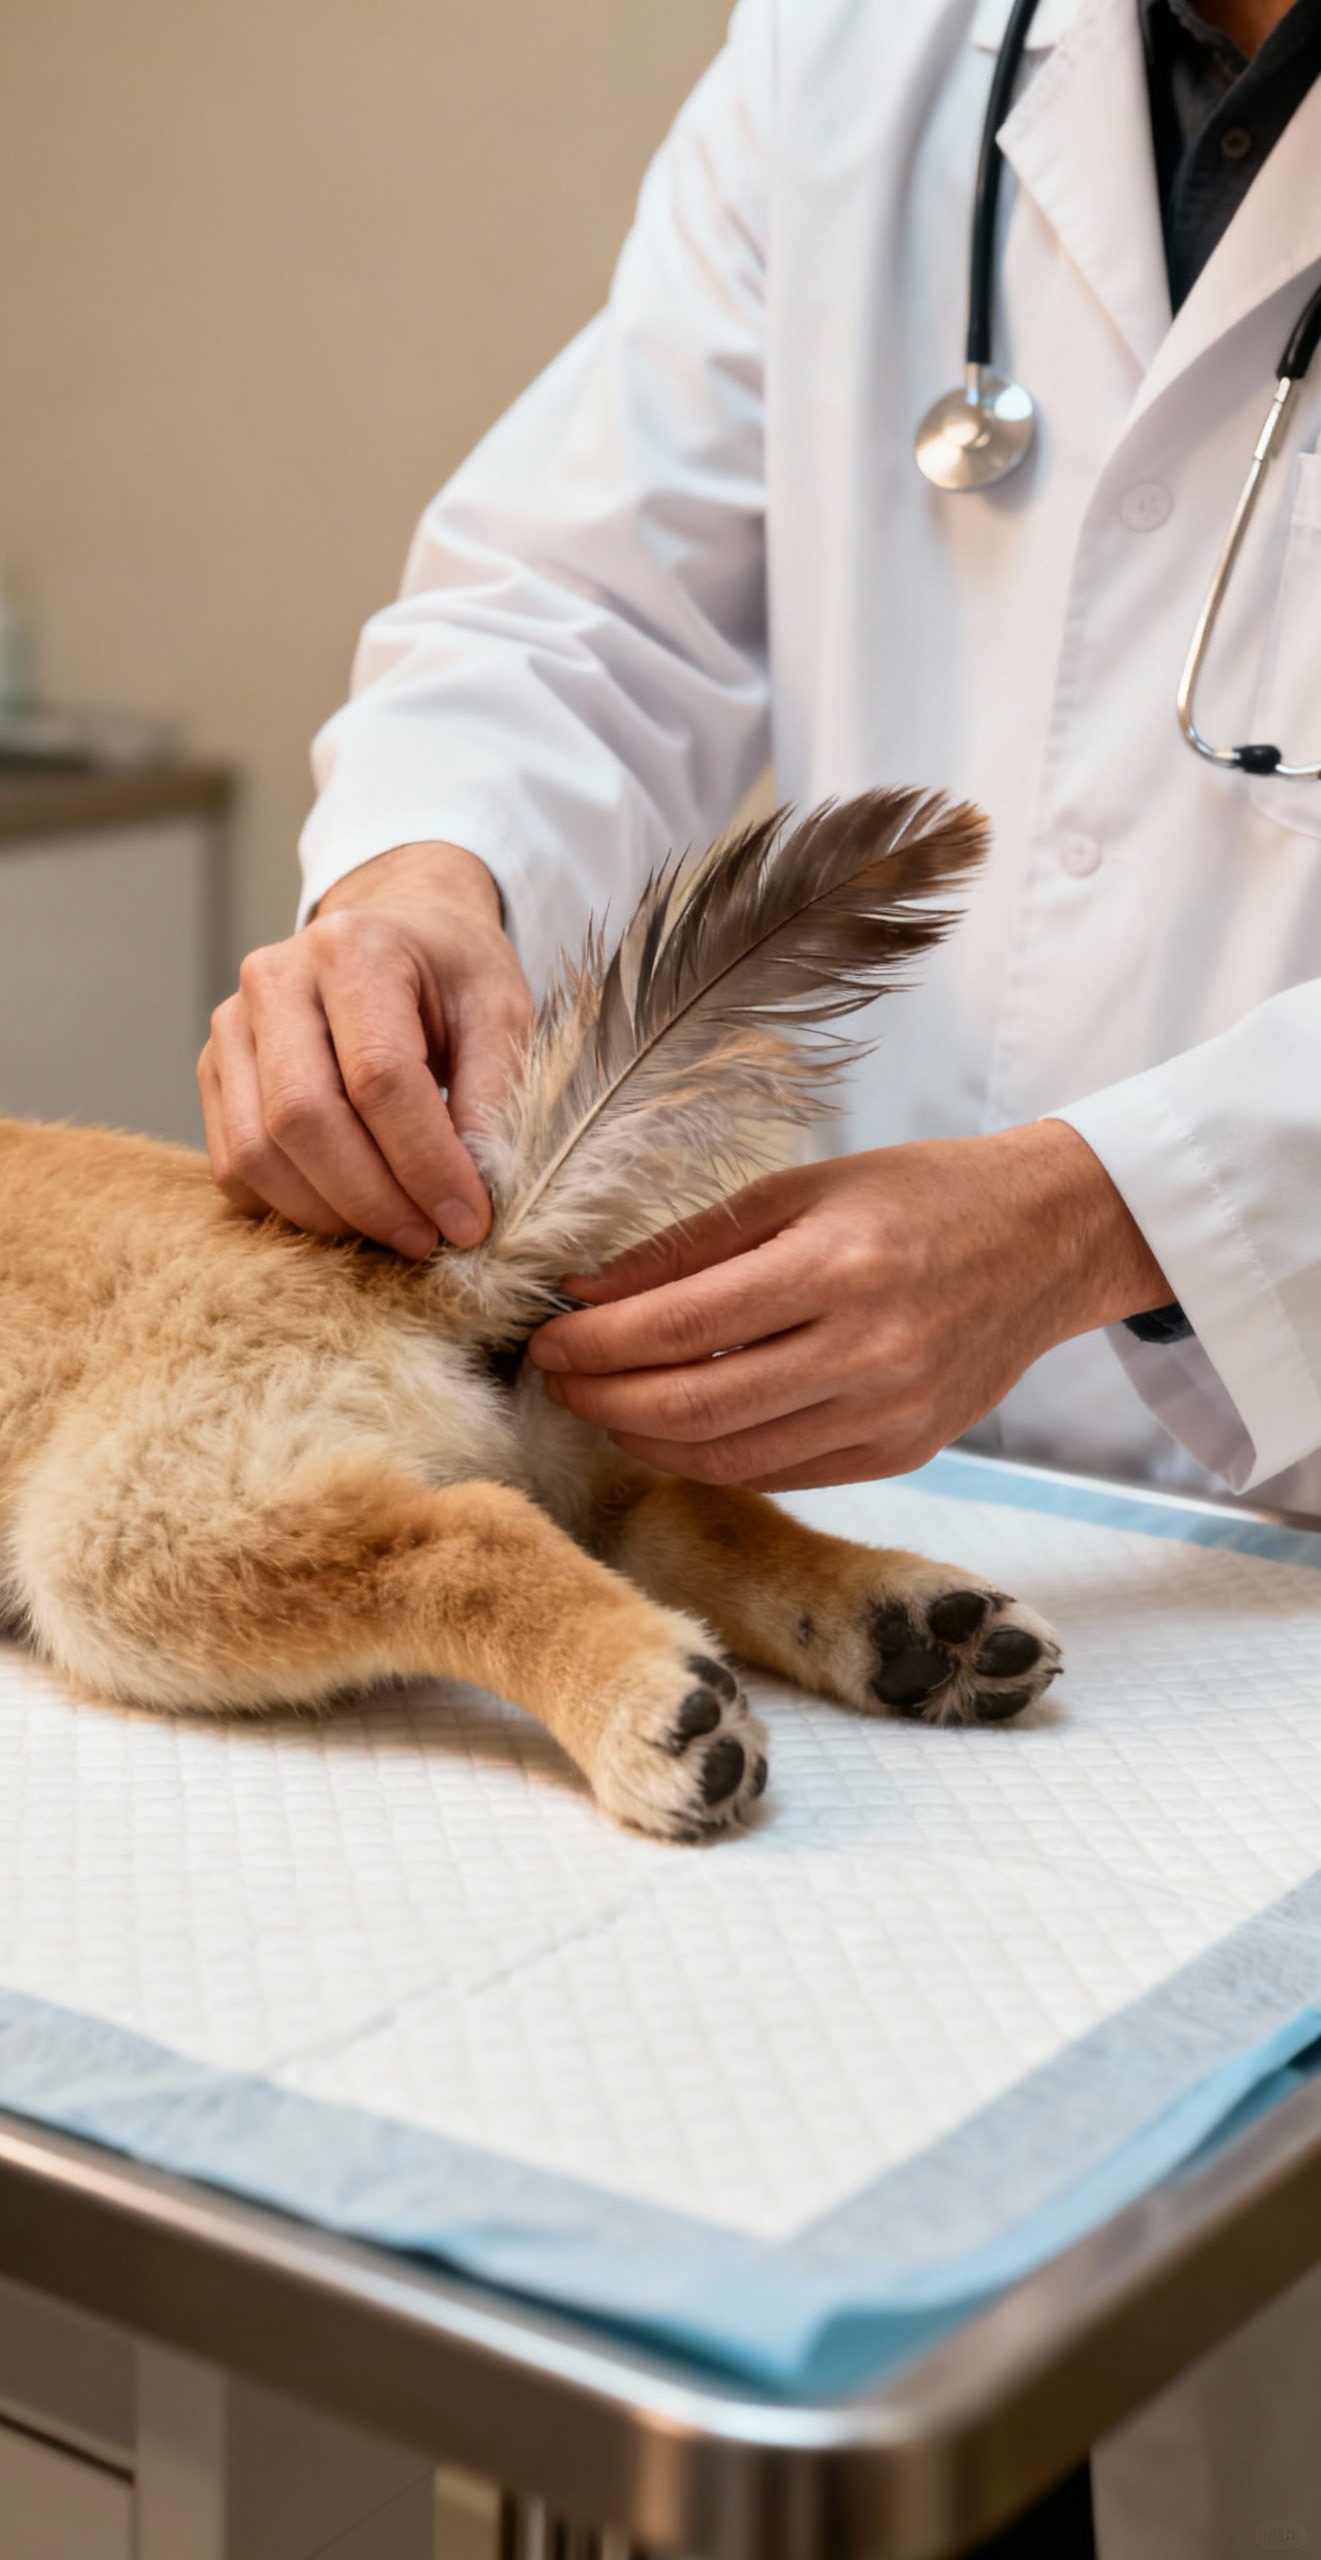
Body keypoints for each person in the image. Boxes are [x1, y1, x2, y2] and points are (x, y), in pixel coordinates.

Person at [200, 0, 1321, 2548]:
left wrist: (1121, 1204)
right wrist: (419, 880)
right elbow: (580, 600)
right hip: (909, 1518)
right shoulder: (879, 53)